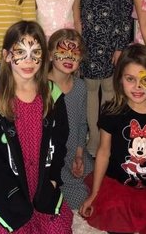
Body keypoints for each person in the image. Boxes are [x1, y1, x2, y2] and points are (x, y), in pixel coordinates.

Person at [0, 21, 73, 233]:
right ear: (7, 55)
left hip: (43, 180)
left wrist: (54, 178)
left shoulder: (53, 95)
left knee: (59, 229)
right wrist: (8, 191)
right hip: (10, 186)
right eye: (21, 52)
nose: (29, 61)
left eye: (35, 52)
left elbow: (60, 141)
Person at [79, 44, 146, 234]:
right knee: (117, 225)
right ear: (120, 79)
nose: (138, 86)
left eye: (145, 79)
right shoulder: (111, 111)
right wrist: (95, 194)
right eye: (130, 79)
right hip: (119, 188)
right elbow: (104, 152)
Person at [77, 0, 133, 157]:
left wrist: (121, 47)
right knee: (90, 90)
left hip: (112, 44)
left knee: (110, 91)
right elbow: (76, 9)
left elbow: (125, 12)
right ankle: (94, 140)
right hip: (88, 42)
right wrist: (78, 43)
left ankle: (106, 142)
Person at [48, 28, 93, 210]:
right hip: (52, 157)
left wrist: (80, 155)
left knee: (99, 185)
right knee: (77, 197)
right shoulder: (41, 88)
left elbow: (82, 124)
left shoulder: (80, 87)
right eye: (63, 52)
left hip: (75, 152)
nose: (69, 58)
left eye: (75, 53)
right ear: (50, 55)